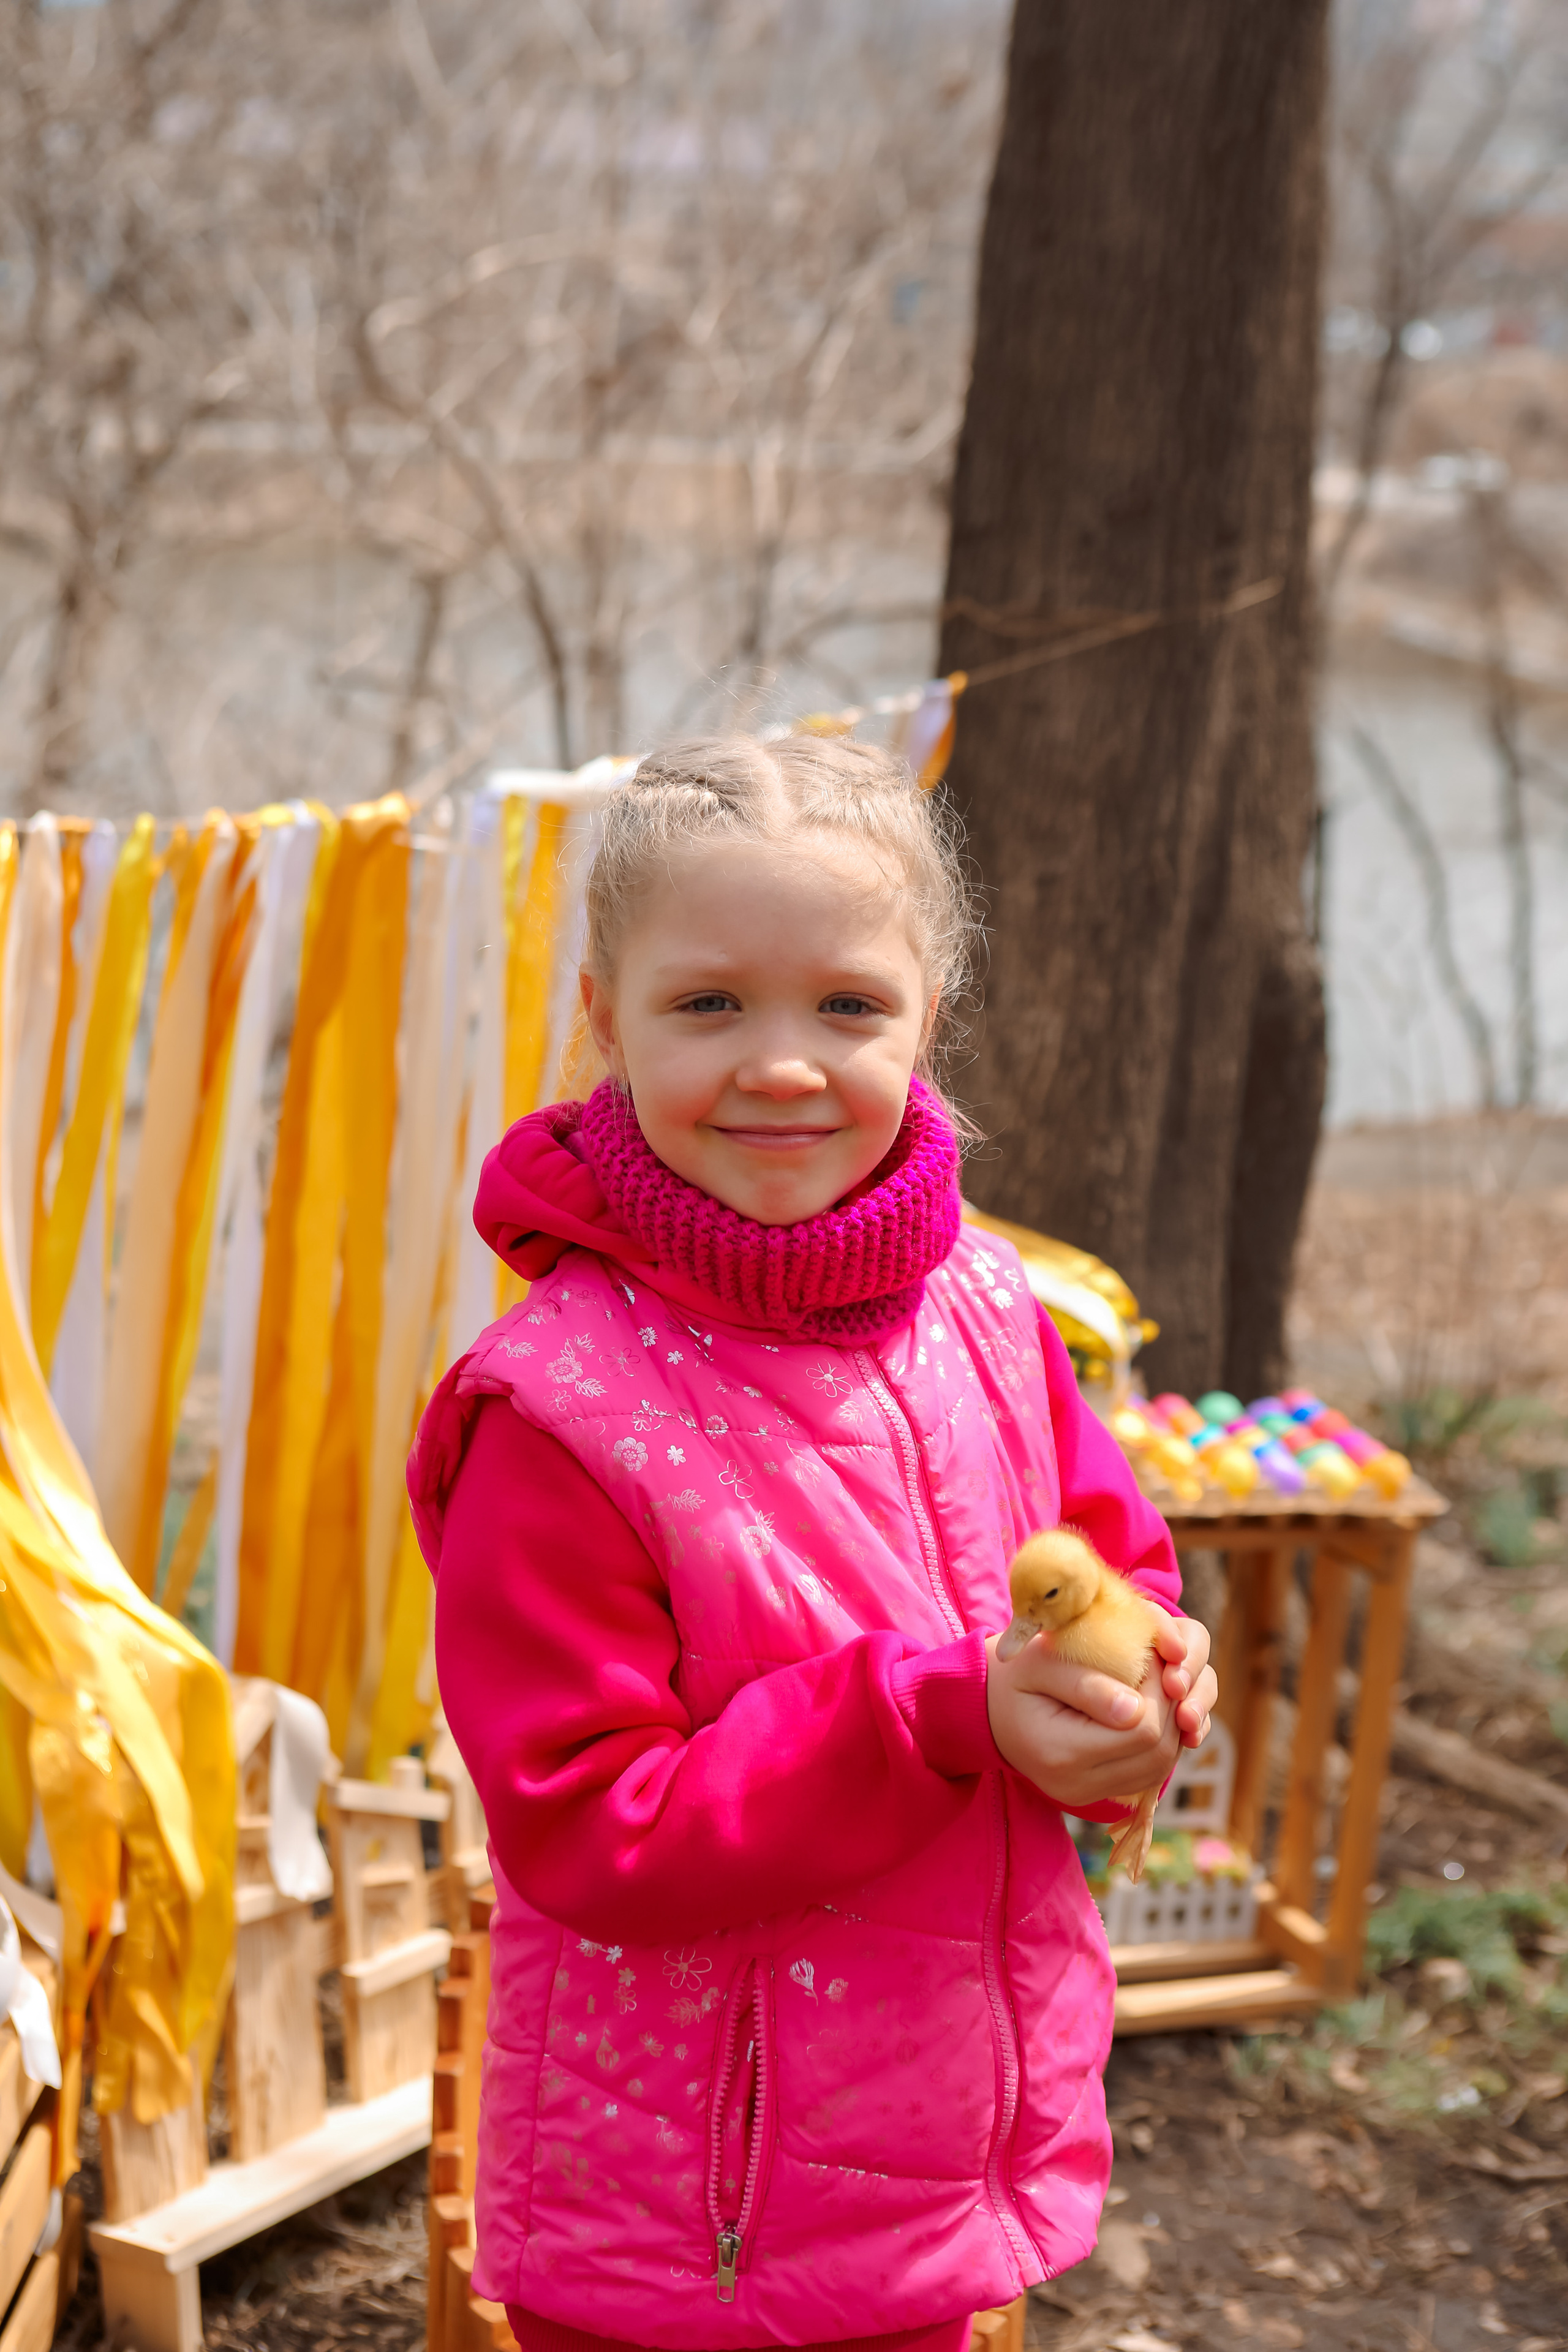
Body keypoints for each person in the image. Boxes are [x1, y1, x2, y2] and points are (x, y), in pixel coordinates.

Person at [409, 734, 1217, 2352]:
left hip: (938, 2161)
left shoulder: (991, 1312)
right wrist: (938, 1714)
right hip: (692, 2222)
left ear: (929, 1014)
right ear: (602, 1017)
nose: (783, 1064)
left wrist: (1136, 1689)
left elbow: (1109, 1568)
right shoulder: (559, 1411)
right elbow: (592, 1823)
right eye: (710, 1004)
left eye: (849, 1006)